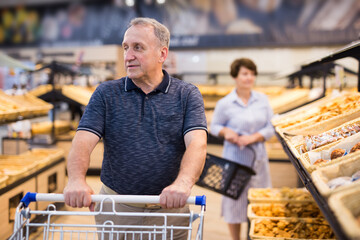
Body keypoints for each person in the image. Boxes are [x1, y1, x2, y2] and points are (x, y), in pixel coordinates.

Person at [63, 17, 208, 240]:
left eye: (138, 48)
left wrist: (183, 183)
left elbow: (197, 143)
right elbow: (83, 139)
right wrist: (76, 179)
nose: (128, 56)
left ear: (162, 54)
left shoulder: (187, 94)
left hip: (170, 210)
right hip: (118, 210)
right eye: (125, 48)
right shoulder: (106, 93)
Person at [210, 58, 274, 240]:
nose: (249, 78)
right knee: (234, 203)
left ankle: (257, 235)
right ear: (235, 77)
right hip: (235, 159)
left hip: (258, 159)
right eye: (245, 74)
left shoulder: (262, 100)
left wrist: (253, 137)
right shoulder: (225, 103)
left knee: (261, 200)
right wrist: (226, 132)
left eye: (252, 74)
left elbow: (271, 126)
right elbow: (214, 126)